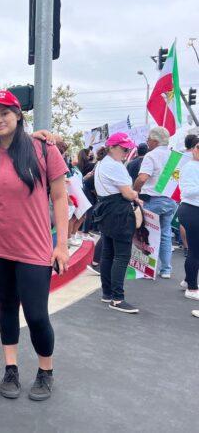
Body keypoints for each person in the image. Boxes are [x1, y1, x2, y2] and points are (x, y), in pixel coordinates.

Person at [0, 90, 69, 402]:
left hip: (34, 247)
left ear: (18, 115)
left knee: (36, 314)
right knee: (6, 306)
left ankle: (46, 370)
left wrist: (62, 245)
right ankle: (11, 368)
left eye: (4, 113)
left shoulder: (42, 148)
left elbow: (60, 197)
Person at [94, 132, 142, 313]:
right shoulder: (115, 166)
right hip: (118, 211)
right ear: (112, 147)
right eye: (123, 148)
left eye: (128, 148)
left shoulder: (102, 163)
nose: (126, 151)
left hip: (106, 210)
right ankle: (117, 298)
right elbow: (128, 193)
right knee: (121, 255)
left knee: (108, 253)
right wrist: (135, 195)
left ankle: (108, 293)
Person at [133, 127, 177, 279]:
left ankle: (146, 269)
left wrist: (134, 191)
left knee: (147, 234)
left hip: (153, 200)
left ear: (155, 141)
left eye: (149, 139)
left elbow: (143, 178)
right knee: (165, 235)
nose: (147, 142)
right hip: (170, 200)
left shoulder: (151, 156)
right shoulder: (173, 156)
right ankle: (166, 269)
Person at [179, 135, 199, 300]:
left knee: (195, 250)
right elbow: (187, 192)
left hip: (193, 210)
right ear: (193, 149)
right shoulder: (190, 167)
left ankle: (188, 280)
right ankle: (192, 287)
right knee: (195, 251)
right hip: (192, 210)